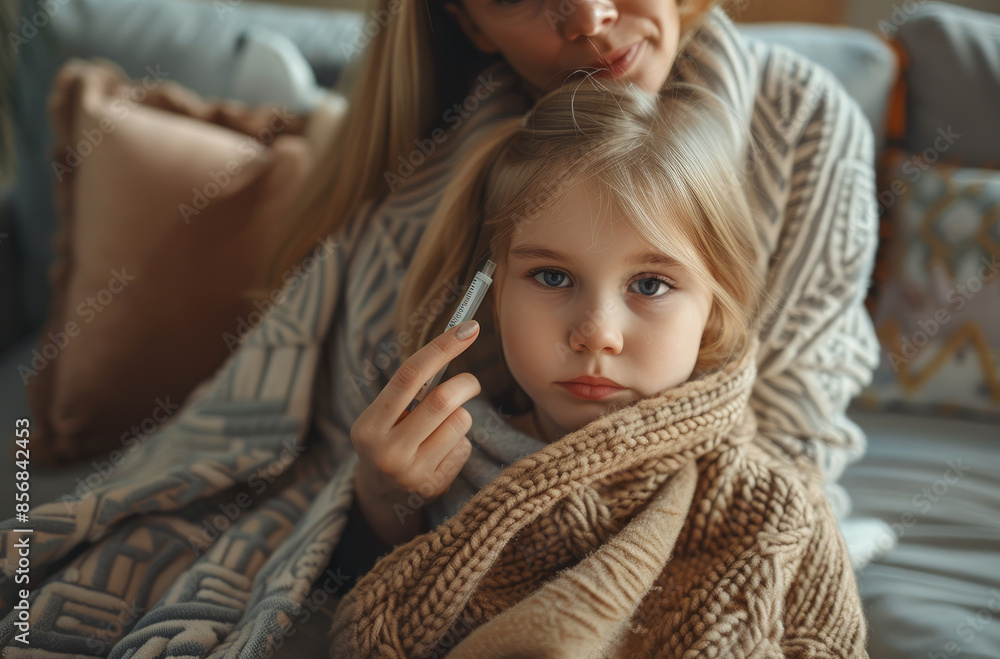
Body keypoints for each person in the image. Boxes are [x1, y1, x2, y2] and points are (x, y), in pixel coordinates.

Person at [0, 1, 879, 656]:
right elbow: (339, 451)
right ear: (471, 22)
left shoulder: (802, 129)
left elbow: (791, 434)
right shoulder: (433, 161)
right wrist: (384, 498)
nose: (590, 17)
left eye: (652, 281)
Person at [328, 78, 867, 656]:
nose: (597, 334)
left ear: (714, 309)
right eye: (552, 277)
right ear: (495, 294)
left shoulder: (774, 510)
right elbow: (355, 599)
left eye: (651, 284)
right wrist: (383, 501)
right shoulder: (430, 454)